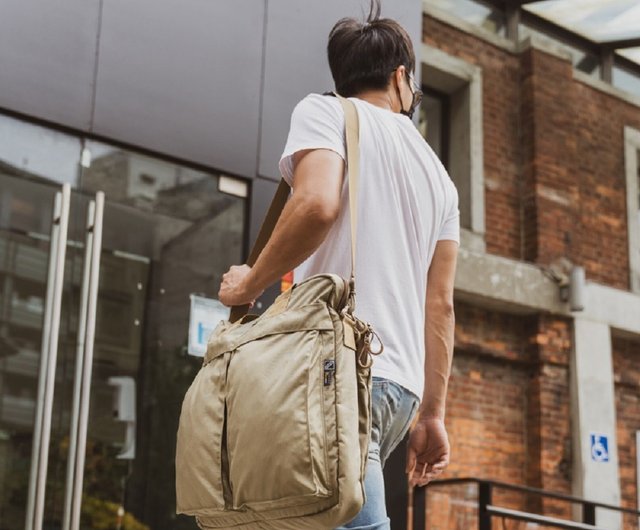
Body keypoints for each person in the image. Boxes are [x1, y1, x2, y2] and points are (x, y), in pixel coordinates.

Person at [218, 1, 459, 528]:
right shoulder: (440, 178)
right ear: (400, 78)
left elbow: (315, 206)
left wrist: (248, 284)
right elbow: (439, 305)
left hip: (341, 369)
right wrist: (434, 415)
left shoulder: (325, 111)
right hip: (400, 389)